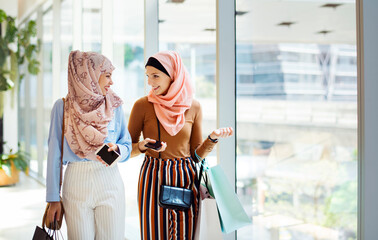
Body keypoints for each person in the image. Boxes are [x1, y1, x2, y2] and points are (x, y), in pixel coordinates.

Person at [128, 51, 233, 240]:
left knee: (184, 235)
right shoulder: (142, 105)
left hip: (185, 177)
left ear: (173, 75)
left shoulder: (194, 107)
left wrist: (212, 138)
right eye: (148, 76)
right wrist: (143, 146)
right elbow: (128, 149)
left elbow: (196, 155)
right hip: (153, 175)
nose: (150, 82)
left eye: (155, 76)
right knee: (153, 233)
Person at [45, 50, 132, 240]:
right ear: (90, 75)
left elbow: (126, 143)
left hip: (109, 179)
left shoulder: (114, 105)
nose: (111, 82)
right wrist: (53, 199)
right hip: (76, 182)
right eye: (107, 76)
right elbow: (54, 155)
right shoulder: (62, 107)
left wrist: (118, 150)